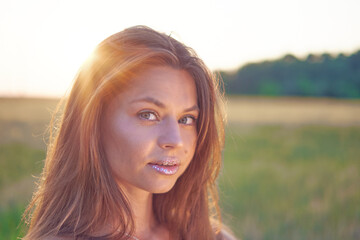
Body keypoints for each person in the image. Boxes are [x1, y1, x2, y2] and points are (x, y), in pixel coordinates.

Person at [23, 25, 235, 240]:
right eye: (148, 115)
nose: (175, 140)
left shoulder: (213, 237)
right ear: (94, 122)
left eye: (186, 119)